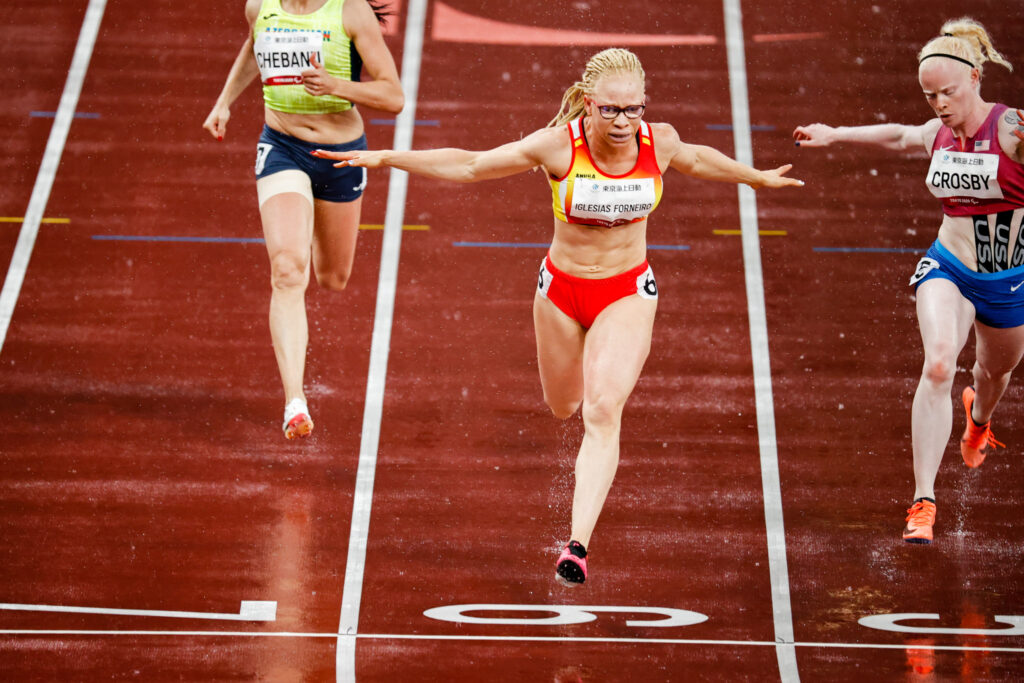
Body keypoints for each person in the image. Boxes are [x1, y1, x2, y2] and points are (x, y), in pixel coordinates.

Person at [313, 48, 803, 584]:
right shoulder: (557, 147)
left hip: (627, 292)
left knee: (601, 410)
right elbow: (473, 164)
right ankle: (575, 446)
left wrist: (754, 178)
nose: (622, 122)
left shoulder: (656, 141)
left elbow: (699, 158)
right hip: (561, 292)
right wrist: (389, 158)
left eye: (633, 110)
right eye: (611, 111)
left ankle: (577, 545)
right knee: (562, 404)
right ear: (588, 104)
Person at [793, 17, 1024, 544]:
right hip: (951, 267)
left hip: (1010, 281)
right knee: (940, 361)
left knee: (993, 375)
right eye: (929, 95)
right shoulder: (936, 133)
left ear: (976, 79)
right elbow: (899, 135)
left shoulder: (1012, 132)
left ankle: (980, 420)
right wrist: (835, 134)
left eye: (948, 92)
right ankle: (924, 500)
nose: (940, 104)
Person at [203, 0, 404, 439]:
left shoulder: (350, 14)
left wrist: (336, 85)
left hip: (339, 153)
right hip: (282, 147)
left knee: (333, 277)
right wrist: (224, 102)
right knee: (288, 271)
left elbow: (393, 96)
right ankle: (295, 401)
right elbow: (253, 47)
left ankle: (310, 220)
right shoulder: (260, 8)